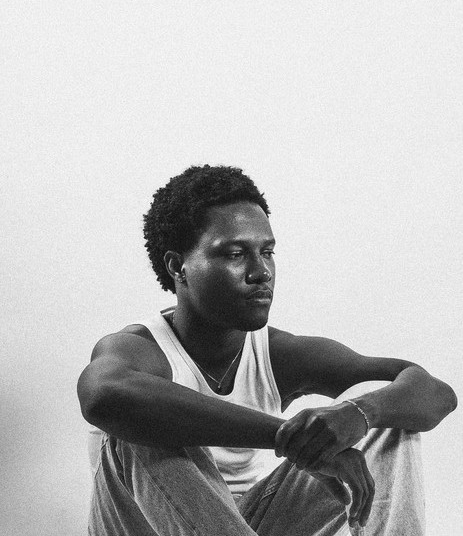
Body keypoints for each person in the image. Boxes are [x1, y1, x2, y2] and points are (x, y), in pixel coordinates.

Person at [77, 164, 457, 536]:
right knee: (140, 426)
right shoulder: (139, 348)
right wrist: (287, 438)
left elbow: (433, 392)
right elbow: (103, 396)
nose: (262, 272)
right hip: (145, 525)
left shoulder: (277, 354)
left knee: (383, 404)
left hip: (244, 524)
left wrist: (359, 414)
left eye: (268, 252)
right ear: (178, 267)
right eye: (235, 254)